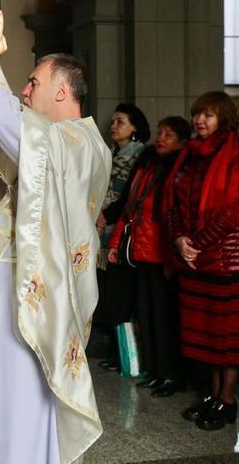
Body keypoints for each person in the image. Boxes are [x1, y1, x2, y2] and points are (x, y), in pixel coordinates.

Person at [0, 10, 110, 463]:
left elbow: (7, 121)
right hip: (27, 287)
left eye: (31, 83)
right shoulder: (54, 139)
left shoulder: (75, 142)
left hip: (38, 299)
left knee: (25, 400)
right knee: (11, 397)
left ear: (62, 90)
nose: (23, 91)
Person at [164, 91, 239, 431]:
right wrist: (179, 239)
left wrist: (197, 244)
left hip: (230, 260)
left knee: (228, 338)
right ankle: (213, 394)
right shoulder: (190, 155)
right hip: (197, 257)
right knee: (207, 335)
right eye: (197, 114)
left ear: (224, 118)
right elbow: (172, 200)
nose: (199, 121)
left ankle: (228, 400)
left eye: (208, 115)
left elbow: (238, 207)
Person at [106, 116, 190, 396]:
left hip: (162, 253)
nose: (162, 138)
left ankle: (170, 373)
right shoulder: (148, 164)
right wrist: (116, 243)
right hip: (141, 251)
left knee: (165, 318)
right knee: (147, 314)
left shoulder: (178, 168)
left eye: (169, 134)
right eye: (160, 132)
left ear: (181, 140)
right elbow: (130, 209)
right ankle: (154, 370)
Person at [95, 103, 149, 372]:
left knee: (122, 293)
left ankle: (127, 353)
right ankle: (117, 350)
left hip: (121, 227)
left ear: (135, 127)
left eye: (120, 122)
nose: (114, 126)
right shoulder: (113, 152)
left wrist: (106, 215)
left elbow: (128, 196)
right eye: (113, 121)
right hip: (105, 225)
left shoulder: (138, 155)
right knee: (111, 292)